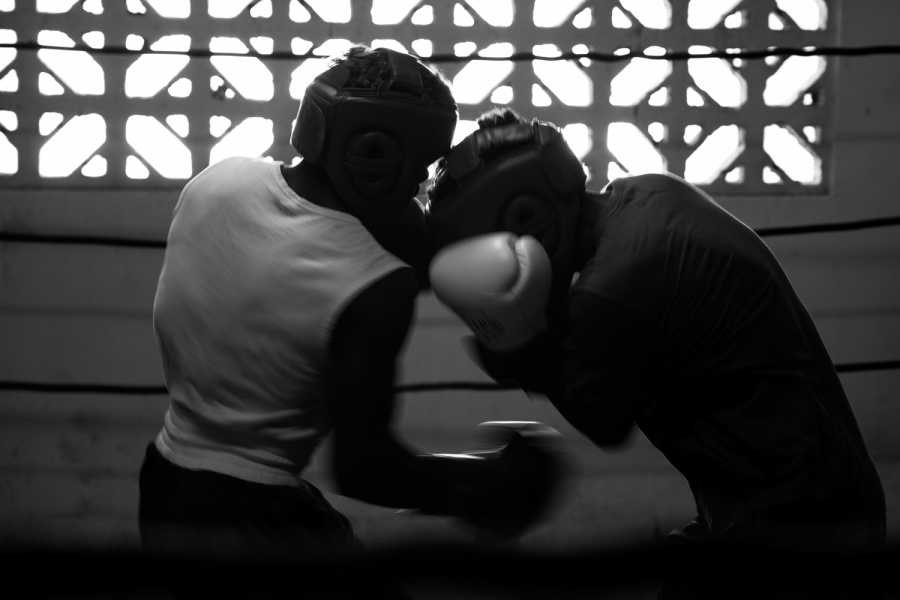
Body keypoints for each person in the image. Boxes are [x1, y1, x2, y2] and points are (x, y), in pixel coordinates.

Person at [138, 49, 569, 599]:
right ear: (375, 155)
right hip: (255, 514)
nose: (418, 185)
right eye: (415, 168)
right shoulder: (372, 288)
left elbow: (360, 232)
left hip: (166, 483)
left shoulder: (216, 180)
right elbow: (366, 470)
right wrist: (484, 483)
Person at [424, 107, 886, 599]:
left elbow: (601, 418)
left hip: (797, 528)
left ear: (526, 216)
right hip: (799, 501)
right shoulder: (647, 192)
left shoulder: (614, 289)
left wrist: (516, 341)